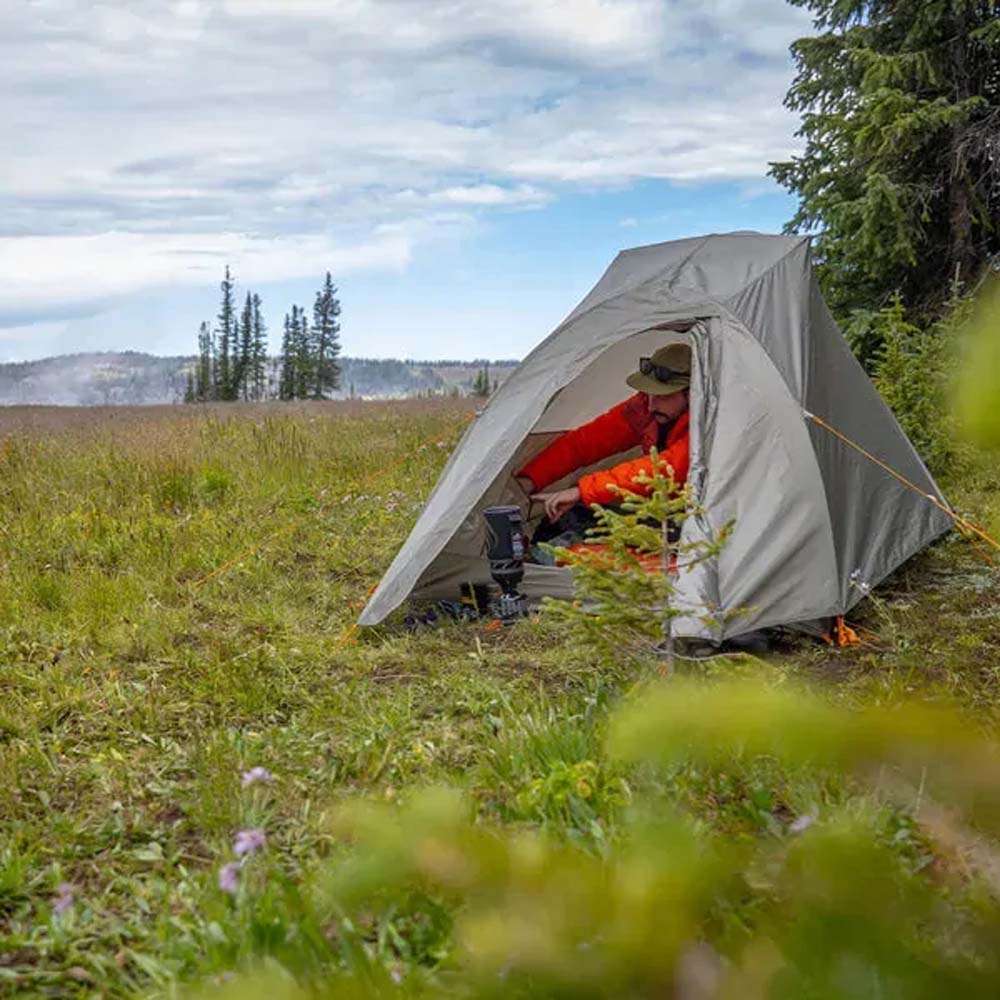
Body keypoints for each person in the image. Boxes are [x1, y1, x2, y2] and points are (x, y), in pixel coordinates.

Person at [515, 343, 692, 542]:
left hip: (699, 520)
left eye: (663, 396)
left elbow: (667, 468)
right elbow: (585, 443)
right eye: (649, 393)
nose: (652, 405)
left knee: (590, 530)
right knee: (567, 519)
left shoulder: (710, 423)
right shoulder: (643, 407)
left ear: (692, 393)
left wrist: (582, 491)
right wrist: (530, 480)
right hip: (663, 510)